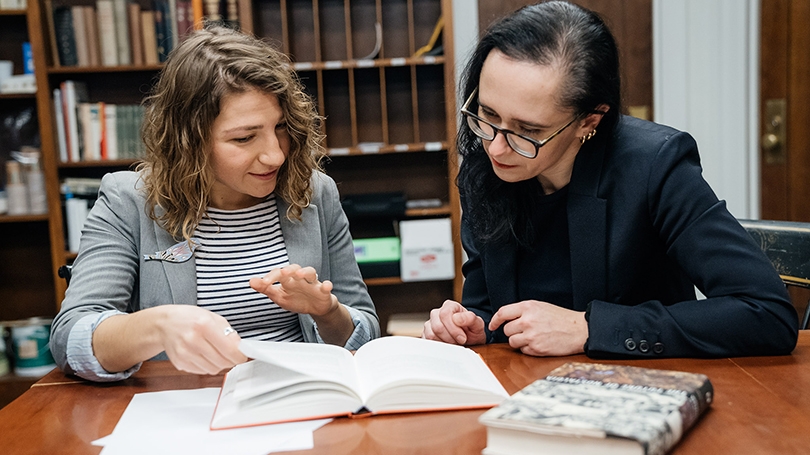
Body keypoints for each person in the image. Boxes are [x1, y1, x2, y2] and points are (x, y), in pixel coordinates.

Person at [423, 1, 798, 358]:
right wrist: (474, 328)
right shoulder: (484, 166)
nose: (498, 149)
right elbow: (488, 308)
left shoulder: (655, 166)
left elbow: (766, 313)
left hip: (639, 392)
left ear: (590, 121)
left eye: (528, 131)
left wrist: (589, 328)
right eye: (487, 114)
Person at [50, 26, 380, 382]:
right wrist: (159, 325)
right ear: (189, 140)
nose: (275, 155)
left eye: (281, 127)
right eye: (244, 137)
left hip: (302, 400)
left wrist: (327, 311)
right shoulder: (127, 200)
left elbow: (365, 335)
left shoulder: (315, 192)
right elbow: (70, 338)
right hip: (186, 409)